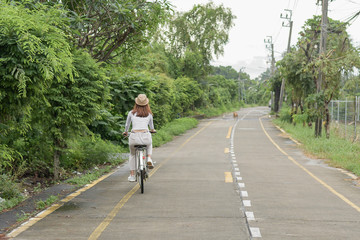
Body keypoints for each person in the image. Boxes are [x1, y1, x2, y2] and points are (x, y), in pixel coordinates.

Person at [123, 94, 156, 182]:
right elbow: (152, 127)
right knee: (149, 145)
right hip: (145, 136)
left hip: (134, 137)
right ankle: (149, 158)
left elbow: (127, 125)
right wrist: (152, 130)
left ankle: (132, 175)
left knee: (133, 154)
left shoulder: (131, 113)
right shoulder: (149, 114)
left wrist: (126, 132)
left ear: (136, 103)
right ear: (146, 104)